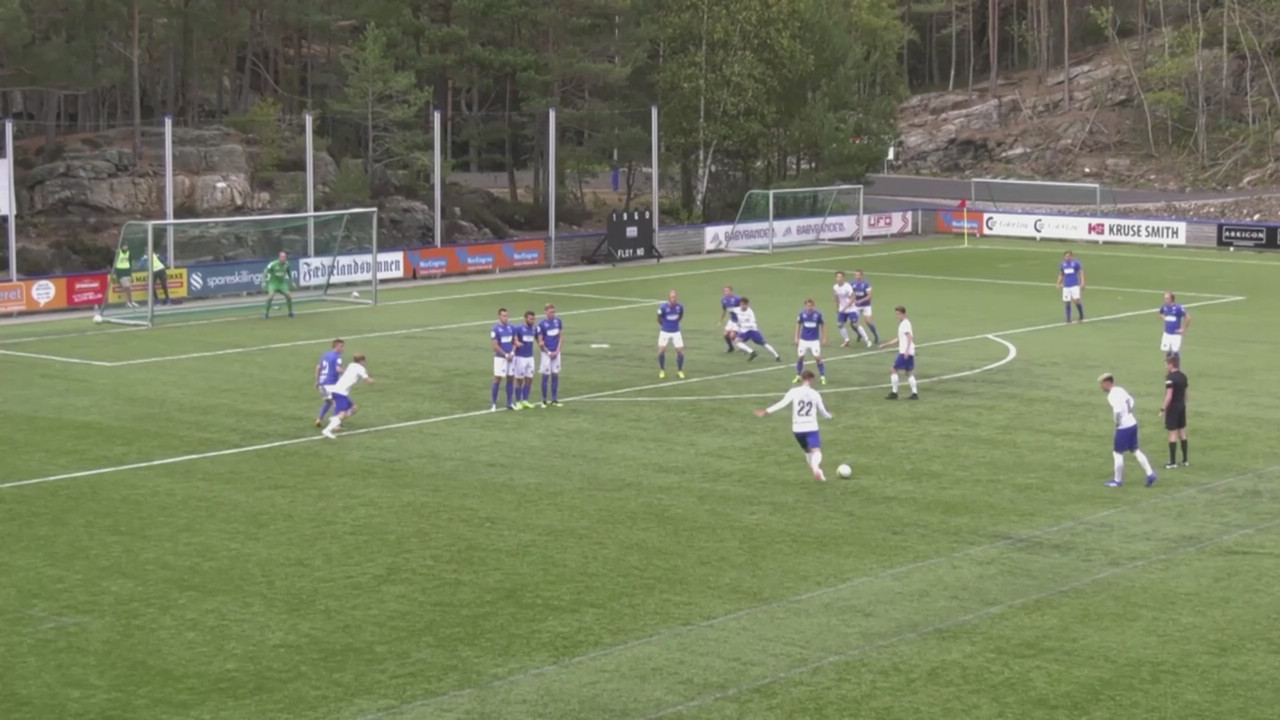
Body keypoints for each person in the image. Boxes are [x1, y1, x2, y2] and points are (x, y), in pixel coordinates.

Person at [754, 370, 834, 482]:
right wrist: (829, 416)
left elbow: (782, 403)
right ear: (811, 379)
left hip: (797, 429)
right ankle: (816, 469)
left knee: (807, 451)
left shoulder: (794, 391)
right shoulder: (815, 394)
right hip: (811, 427)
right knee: (816, 451)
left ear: (801, 378)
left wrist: (766, 411)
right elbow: (822, 410)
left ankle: (817, 472)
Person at [1098, 373, 1157, 487]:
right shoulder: (1120, 390)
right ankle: (1150, 474)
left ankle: (1117, 480)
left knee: (1117, 453)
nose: (1101, 387)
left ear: (1107, 383)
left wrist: (1117, 422)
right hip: (1132, 423)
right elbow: (1131, 401)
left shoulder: (1112, 395)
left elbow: (1117, 410)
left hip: (1123, 427)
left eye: (1102, 384)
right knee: (1135, 450)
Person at [320, 353, 373, 439]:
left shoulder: (351, 365)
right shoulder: (360, 368)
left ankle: (335, 419)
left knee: (354, 408)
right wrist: (371, 380)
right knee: (342, 414)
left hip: (339, 391)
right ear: (361, 361)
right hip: (340, 392)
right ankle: (327, 430)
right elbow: (368, 380)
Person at [879, 305, 918, 400]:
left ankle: (894, 393)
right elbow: (898, 339)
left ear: (904, 314)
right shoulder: (904, 323)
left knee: (893, 369)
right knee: (908, 372)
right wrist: (886, 344)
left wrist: (906, 351)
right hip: (909, 351)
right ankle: (914, 394)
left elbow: (910, 337)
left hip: (905, 351)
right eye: (896, 314)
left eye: (899, 314)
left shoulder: (905, 323)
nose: (897, 316)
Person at [1160, 355, 1190, 469]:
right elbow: (1186, 393)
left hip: (1173, 407)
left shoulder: (1170, 378)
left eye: (1166, 364)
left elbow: (1169, 395)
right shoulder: (1183, 376)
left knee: (1172, 433)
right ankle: (1185, 460)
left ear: (1171, 364)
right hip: (1181, 405)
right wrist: (1183, 403)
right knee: (1182, 431)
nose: (1165, 366)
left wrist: (1163, 409)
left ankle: (1172, 462)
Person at [732, 297, 780, 361]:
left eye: (743, 304)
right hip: (744, 332)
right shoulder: (736, 309)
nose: (742, 306)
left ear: (747, 305)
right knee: (737, 341)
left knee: (763, 344)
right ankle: (752, 352)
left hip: (752, 330)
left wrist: (742, 325)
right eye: (741, 304)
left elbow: (753, 323)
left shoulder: (750, 312)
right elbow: (731, 312)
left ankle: (776, 355)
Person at [490, 308, 520, 411]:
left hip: (511, 357)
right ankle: (494, 404)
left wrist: (512, 352)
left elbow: (515, 341)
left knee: (510, 378)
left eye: (507, 316)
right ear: (499, 316)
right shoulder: (495, 329)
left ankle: (509, 402)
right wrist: (505, 355)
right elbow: (495, 345)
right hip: (500, 358)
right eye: (504, 316)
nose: (506, 318)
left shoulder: (512, 328)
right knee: (497, 379)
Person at [832, 271, 870, 348]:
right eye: (837, 277)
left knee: (855, 324)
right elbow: (836, 298)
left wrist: (846, 307)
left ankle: (867, 340)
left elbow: (853, 298)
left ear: (843, 278)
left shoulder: (847, 286)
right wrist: (837, 308)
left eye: (840, 277)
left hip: (851, 309)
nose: (839, 278)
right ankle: (847, 340)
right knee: (840, 324)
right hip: (842, 309)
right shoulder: (835, 287)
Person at [794, 299, 827, 384]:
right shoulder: (802, 314)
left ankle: (822, 376)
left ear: (813, 306)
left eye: (810, 305)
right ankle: (798, 375)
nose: (809, 307)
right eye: (807, 305)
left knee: (817, 357)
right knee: (800, 357)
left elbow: (823, 325)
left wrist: (824, 338)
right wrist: (796, 337)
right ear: (805, 306)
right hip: (803, 340)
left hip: (814, 340)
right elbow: (798, 325)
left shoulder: (818, 315)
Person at [537, 303, 564, 407]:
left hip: (556, 353)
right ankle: (544, 400)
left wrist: (557, 351)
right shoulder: (541, 325)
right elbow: (540, 342)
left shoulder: (558, 321)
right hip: (546, 354)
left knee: (555, 375)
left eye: (554, 312)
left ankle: (554, 399)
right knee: (545, 376)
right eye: (550, 312)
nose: (553, 314)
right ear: (546, 312)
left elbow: (561, 337)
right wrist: (548, 352)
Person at [314, 338, 345, 427]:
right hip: (330, 384)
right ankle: (336, 425)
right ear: (335, 347)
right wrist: (347, 373)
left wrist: (317, 381)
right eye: (341, 346)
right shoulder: (337, 357)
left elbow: (318, 368)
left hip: (322, 384)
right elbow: (338, 369)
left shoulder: (325, 355)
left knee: (328, 402)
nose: (343, 349)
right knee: (337, 402)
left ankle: (319, 419)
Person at [513, 311, 539, 409]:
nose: (532, 321)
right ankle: (518, 401)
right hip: (520, 357)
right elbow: (513, 338)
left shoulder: (534, 329)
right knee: (519, 380)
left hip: (530, 357)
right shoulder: (518, 328)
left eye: (533, 319)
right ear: (525, 319)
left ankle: (525, 400)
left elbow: (538, 339)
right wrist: (516, 343)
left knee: (529, 379)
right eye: (531, 319)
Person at [657, 290, 685, 379]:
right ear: (669, 298)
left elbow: (680, 316)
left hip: (676, 332)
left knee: (680, 351)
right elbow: (658, 319)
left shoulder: (680, 307)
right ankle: (662, 370)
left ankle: (680, 370)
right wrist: (665, 326)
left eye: (675, 297)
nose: (674, 298)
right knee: (661, 350)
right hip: (665, 332)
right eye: (672, 297)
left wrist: (675, 324)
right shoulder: (663, 307)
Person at [1056, 251, 1086, 323]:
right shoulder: (1062, 264)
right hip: (1066, 286)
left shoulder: (1076, 263)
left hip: (1074, 285)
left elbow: (1081, 273)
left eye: (1068, 256)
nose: (1067, 257)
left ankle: (1081, 315)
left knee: (1076, 300)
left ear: (1071, 256)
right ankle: (1068, 318)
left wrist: (1082, 282)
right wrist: (1058, 283)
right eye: (1066, 256)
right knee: (1067, 302)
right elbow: (1061, 274)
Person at [263, 251, 295, 319]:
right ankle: (266, 313)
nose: (284, 258)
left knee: (289, 296)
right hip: (273, 283)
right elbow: (265, 271)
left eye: (285, 257)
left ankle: (290, 313)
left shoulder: (287, 264)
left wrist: (292, 281)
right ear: (279, 257)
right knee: (270, 296)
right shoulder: (273, 264)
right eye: (282, 257)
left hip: (282, 283)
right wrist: (264, 282)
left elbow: (289, 273)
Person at [1158, 291, 1190, 358]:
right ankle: (1168, 368)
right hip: (1166, 334)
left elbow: (1188, 317)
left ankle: (1177, 368)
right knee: (1167, 353)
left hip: (1175, 334)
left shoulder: (1178, 308)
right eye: (1164, 298)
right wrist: (1164, 318)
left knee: (1175, 353)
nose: (1165, 300)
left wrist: (1184, 329)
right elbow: (1161, 313)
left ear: (1171, 299)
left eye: (1166, 298)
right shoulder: (1164, 307)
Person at [851, 269, 879, 344]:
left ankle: (876, 335)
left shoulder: (866, 284)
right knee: (853, 323)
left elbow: (870, 295)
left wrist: (861, 301)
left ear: (862, 276)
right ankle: (859, 334)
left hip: (866, 305)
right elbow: (850, 294)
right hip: (856, 306)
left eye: (858, 275)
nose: (856, 276)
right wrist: (852, 301)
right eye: (855, 275)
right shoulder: (852, 283)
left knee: (868, 321)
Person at [718, 286, 742, 353]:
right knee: (725, 334)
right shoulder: (723, 300)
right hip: (731, 320)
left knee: (732, 335)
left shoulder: (737, 299)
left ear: (731, 291)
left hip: (738, 320)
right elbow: (724, 310)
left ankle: (743, 347)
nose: (726, 292)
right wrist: (720, 321)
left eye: (728, 291)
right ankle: (731, 348)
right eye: (725, 291)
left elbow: (744, 309)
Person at [113, 244, 137, 309]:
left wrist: (130, 273)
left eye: (126, 246)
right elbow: (115, 262)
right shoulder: (119, 252)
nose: (125, 247)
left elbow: (130, 262)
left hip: (127, 271)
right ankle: (129, 302)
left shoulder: (128, 253)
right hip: (121, 272)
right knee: (127, 287)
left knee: (129, 288)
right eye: (124, 246)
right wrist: (116, 273)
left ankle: (130, 301)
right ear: (121, 247)